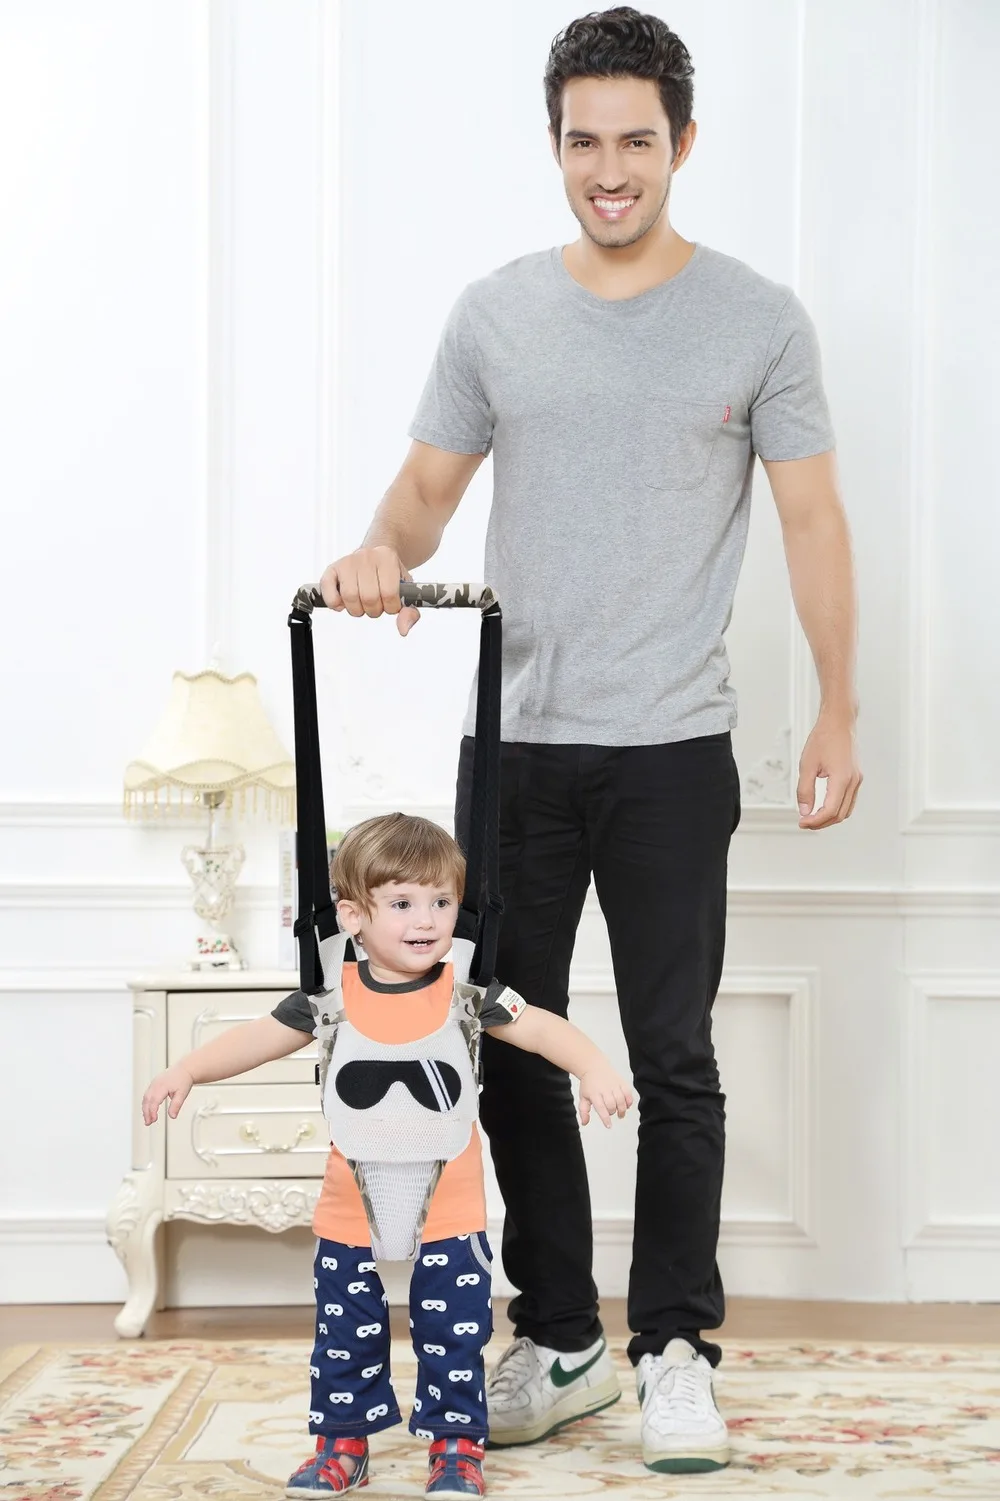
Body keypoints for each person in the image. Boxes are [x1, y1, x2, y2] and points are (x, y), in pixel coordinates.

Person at [318, 5, 861, 1476]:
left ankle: (676, 1349)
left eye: (635, 142)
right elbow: (426, 494)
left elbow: (812, 520)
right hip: (517, 748)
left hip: (676, 745)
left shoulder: (756, 320)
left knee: (675, 1057)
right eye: (582, 143)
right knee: (508, 1042)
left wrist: (838, 705)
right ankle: (558, 1338)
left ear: (682, 144)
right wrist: (376, 549)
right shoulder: (496, 312)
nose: (608, 170)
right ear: (552, 146)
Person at [142, 813, 632, 1498]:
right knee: (343, 1332)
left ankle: (457, 1446)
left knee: (453, 1335)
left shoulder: (469, 995)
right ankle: (343, 1443)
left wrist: (593, 1066)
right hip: (351, 1205)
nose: (426, 919)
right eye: (402, 903)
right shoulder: (329, 998)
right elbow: (256, 1037)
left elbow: (543, 1027)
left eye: (441, 901)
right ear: (352, 915)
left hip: (449, 1206)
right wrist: (188, 1069)